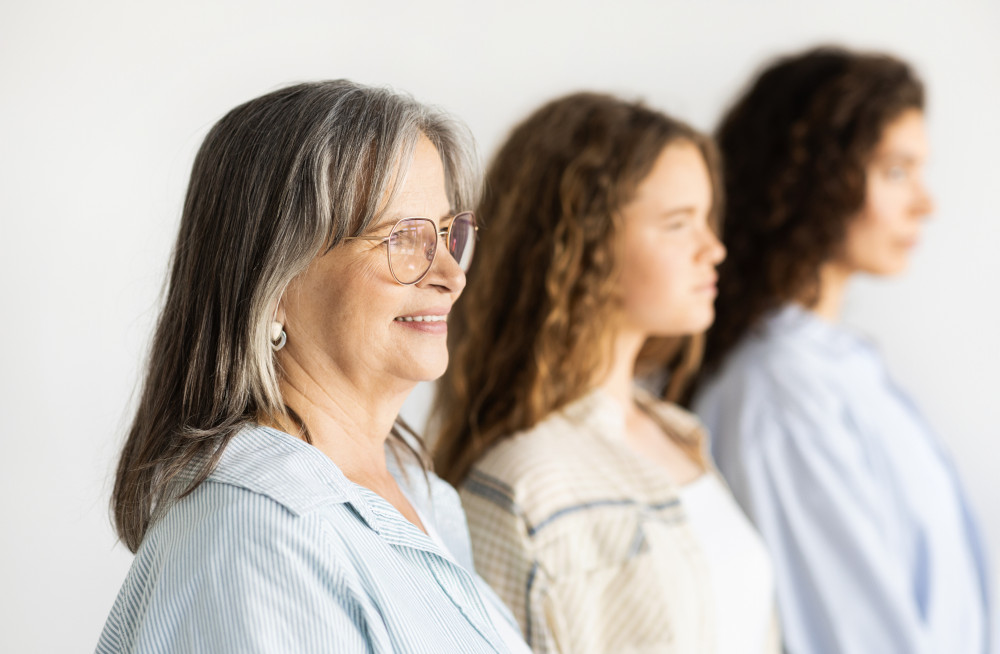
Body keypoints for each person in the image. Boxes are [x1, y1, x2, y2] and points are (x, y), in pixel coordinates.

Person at [97, 80, 530, 654]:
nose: (452, 275)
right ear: (273, 286)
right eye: (402, 237)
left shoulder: (421, 498)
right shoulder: (257, 538)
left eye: (449, 235)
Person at [433, 92, 779, 654]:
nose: (713, 249)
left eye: (708, 220)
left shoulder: (677, 432)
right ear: (583, 243)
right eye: (677, 223)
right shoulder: (523, 483)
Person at [692, 47, 993, 654]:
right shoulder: (779, 391)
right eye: (896, 172)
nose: (925, 203)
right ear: (815, 178)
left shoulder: (837, 364)